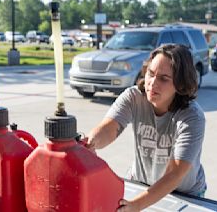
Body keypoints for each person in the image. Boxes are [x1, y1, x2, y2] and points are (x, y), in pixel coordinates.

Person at [86, 44, 206, 211]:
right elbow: (109, 127)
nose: (152, 83)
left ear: (180, 84)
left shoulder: (192, 117)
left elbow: (175, 173)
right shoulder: (133, 97)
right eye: (151, 74)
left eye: (164, 79)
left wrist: (136, 205)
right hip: (141, 183)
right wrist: (90, 143)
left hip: (185, 194)